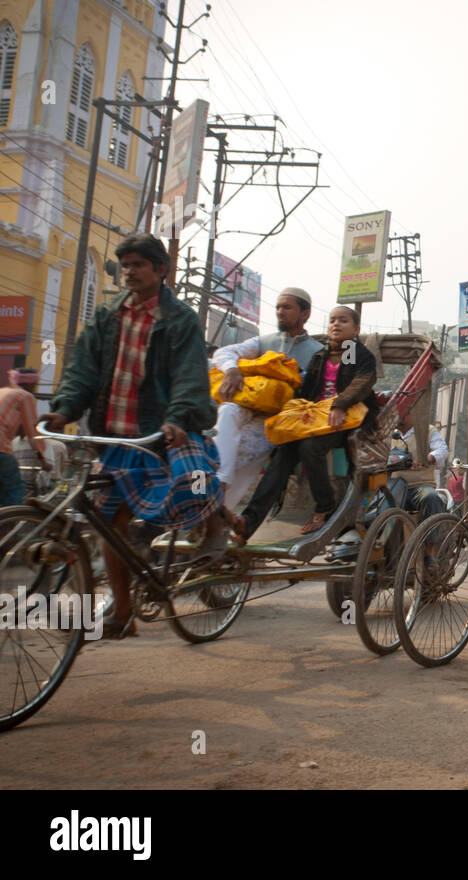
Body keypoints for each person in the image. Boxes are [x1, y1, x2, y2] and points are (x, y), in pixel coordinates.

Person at [42, 234, 223, 638]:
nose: (130, 271)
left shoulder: (180, 320)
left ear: (161, 270)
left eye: (139, 264)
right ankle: (122, 613)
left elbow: (190, 376)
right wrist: (65, 408)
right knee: (110, 523)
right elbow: (82, 371)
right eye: (125, 265)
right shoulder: (107, 317)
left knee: (194, 476)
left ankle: (216, 524)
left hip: (167, 428)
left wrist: (177, 417)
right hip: (117, 436)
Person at [233, 306, 379, 542]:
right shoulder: (320, 356)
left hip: (346, 422)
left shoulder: (353, 351)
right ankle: (247, 524)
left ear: (356, 329)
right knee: (283, 454)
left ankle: (325, 506)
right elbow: (308, 390)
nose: (336, 325)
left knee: (309, 447)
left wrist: (339, 405)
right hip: (314, 419)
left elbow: (359, 381)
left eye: (343, 321)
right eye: (332, 320)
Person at [210, 287, 324, 510]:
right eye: (278, 307)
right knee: (228, 411)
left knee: (248, 451)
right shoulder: (262, 342)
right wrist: (232, 371)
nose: (280, 312)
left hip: (278, 418)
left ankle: (217, 513)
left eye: (287, 307)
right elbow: (223, 354)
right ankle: (218, 486)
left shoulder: (318, 351)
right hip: (248, 404)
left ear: (305, 313)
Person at [0, 368, 46, 505]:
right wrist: (43, 460)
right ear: (31, 384)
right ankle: (12, 524)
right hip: (1, 449)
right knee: (15, 491)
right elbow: (32, 432)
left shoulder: (3, 392)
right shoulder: (25, 396)